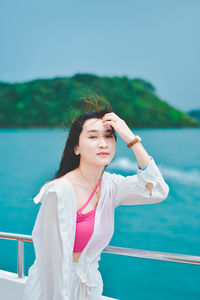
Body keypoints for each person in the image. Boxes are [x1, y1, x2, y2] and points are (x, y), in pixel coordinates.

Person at [23, 105, 169, 300]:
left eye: (109, 136)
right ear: (76, 147)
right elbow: (51, 264)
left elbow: (157, 191)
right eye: (93, 137)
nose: (103, 144)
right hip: (52, 290)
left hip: (89, 288)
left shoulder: (110, 185)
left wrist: (132, 139)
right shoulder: (59, 192)